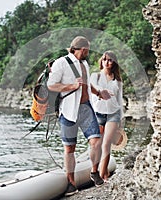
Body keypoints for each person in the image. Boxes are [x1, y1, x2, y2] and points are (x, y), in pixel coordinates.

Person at [47, 36, 111, 196]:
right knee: (69, 148)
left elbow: (86, 84)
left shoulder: (84, 64)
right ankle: (71, 183)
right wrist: (72, 86)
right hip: (68, 111)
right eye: (87, 50)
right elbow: (51, 85)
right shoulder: (61, 63)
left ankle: (94, 172)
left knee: (96, 141)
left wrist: (98, 93)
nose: (88, 52)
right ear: (82, 49)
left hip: (86, 108)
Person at [90, 51, 124, 182]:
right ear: (101, 61)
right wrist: (102, 92)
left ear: (114, 62)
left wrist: (121, 119)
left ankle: (103, 176)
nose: (107, 62)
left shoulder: (118, 81)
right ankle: (96, 172)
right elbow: (93, 89)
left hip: (113, 114)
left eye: (110, 60)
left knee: (106, 144)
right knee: (97, 145)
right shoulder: (95, 76)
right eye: (104, 59)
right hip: (98, 113)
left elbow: (120, 101)